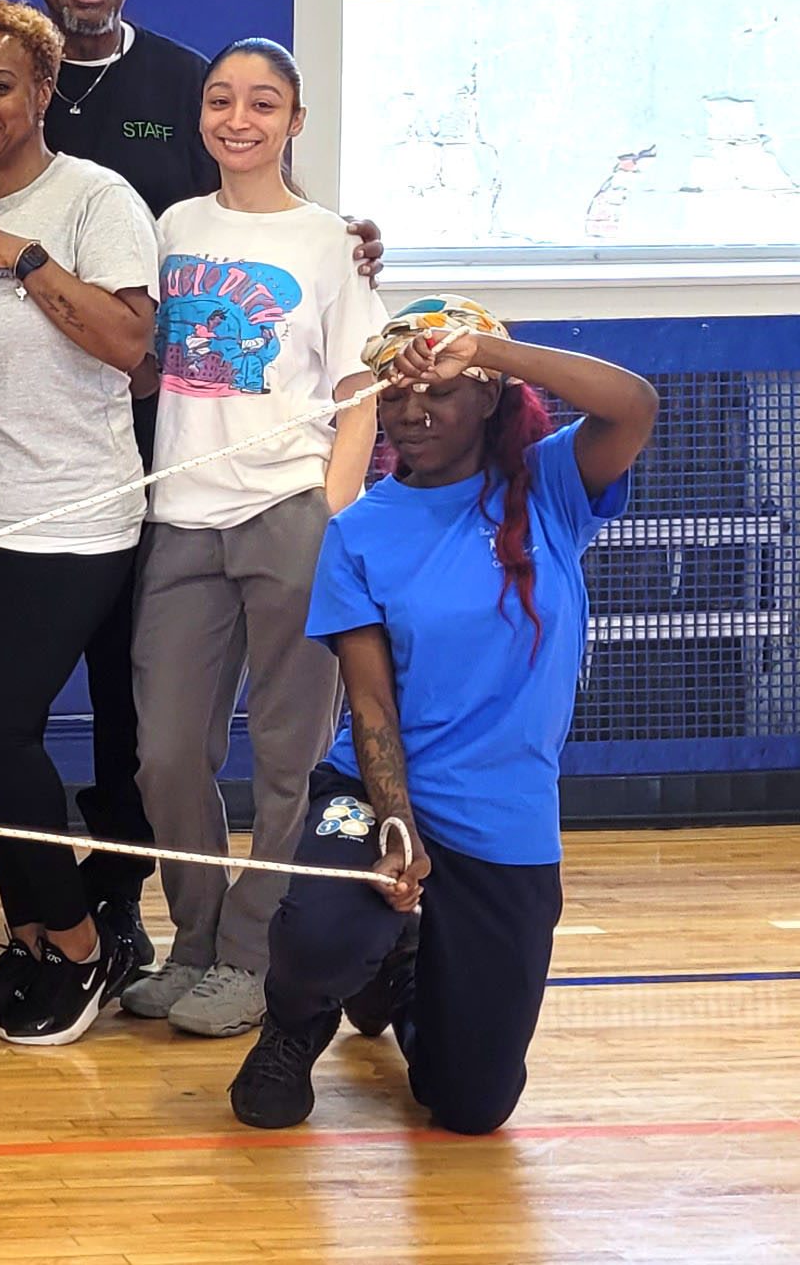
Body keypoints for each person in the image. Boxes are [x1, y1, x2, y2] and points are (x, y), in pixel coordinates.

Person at [0, 0, 381, 981]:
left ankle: (121, 909)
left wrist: (350, 241)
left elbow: (266, 223)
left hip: (152, 458)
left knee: (138, 708)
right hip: (58, 469)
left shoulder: (178, 84)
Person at [231, 301, 655, 1134]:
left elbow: (633, 403)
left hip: (503, 814)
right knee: (319, 934)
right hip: (372, 789)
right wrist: (396, 822)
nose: (412, 411)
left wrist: (485, 347)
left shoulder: (550, 486)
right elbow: (370, 702)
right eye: (393, 394)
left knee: (471, 1106)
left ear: (490, 395)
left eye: (441, 390)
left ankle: (397, 971)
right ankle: (296, 1019)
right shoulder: (357, 533)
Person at [0, 0, 159, 1048]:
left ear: (44, 92)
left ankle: (85, 943)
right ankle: (29, 940)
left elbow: (131, 345)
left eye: (1, 85)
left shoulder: (97, 198)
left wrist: (17, 257)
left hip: (69, 515)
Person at [121, 41, 385, 1039]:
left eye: (263, 102)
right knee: (166, 754)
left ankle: (249, 955)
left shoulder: (331, 241)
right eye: (222, 99)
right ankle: (193, 942)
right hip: (182, 521)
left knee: (287, 756)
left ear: (294, 121)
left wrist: (328, 511)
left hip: (288, 516)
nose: (239, 118)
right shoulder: (172, 226)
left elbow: (359, 393)